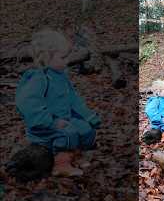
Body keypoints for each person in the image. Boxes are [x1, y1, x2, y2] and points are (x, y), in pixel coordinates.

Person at [15, 29, 101, 177]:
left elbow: (73, 99)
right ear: (46, 58)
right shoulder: (39, 78)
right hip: (43, 126)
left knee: (86, 129)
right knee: (68, 133)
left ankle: (75, 156)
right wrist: (51, 121)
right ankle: (61, 165)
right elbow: (27, 103)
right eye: (62, 57)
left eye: (67, 56)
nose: (67, 61)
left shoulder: (61, 76)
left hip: (64, 118)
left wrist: (88, 116)